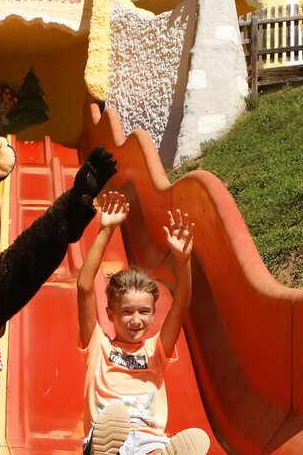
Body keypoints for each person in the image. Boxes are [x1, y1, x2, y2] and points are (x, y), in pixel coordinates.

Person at [77, 191, 210, 455]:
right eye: (127, 312)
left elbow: (181, 305)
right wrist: (106, 230)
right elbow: (84, 287)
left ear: (152, 313)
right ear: (111, 313)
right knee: (110, 441)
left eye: (144, 312)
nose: (137, 320)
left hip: (149, 436)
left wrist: (183, 261)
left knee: (156, 450)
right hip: (109, 434)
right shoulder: (98, 346)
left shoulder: (156, 351)